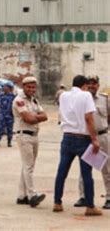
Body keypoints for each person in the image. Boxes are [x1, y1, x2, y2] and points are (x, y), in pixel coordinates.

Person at [53, 75, 102, 216]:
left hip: (67, 137)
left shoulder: (63, 96)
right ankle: (90, 206)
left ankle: (57, 202)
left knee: (62, 171)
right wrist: (94, 139)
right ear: (84, 85)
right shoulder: (86, 95)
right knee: (86, 173)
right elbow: (89, 118)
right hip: (83, 138)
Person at [73, 75, 110, 210]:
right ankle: (83, 196)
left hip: (102, 136)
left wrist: (103, 131)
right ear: (85, 85)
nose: (92, 86)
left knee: (107, 168)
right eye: (89, 83)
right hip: (86, 137)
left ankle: (109, 197)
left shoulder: (104, 99)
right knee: (84, 168)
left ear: (98, 85)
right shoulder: (81, 99)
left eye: (94, 83)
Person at [13, 76, 48, 208]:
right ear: (23, 86)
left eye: (33, 87)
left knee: (27, 166)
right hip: (24, 135)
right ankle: (32, 195)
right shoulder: (19, 100)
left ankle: (22, 196)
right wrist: (36, 117)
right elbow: (28, 119)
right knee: (28, 167)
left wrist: (36, 117)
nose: (31, 89)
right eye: (29, 86)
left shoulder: (34, 100)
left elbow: (45, 116)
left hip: (34, 134)